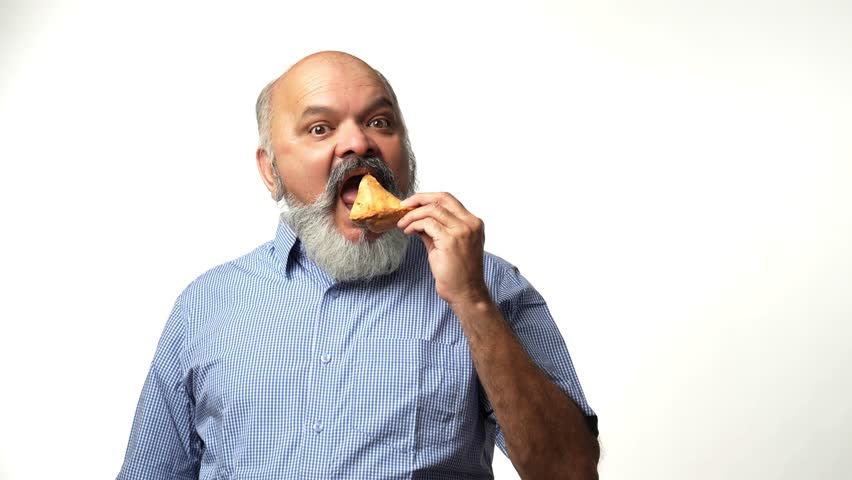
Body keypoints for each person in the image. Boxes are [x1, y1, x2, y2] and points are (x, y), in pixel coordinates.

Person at [117, 51, 600, 479]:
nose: (358, 143)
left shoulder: (490, 285)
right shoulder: (206, 304)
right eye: (320, 128)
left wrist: (473, 302)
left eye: (380, 122)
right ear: (270, 169)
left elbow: (571, 472)